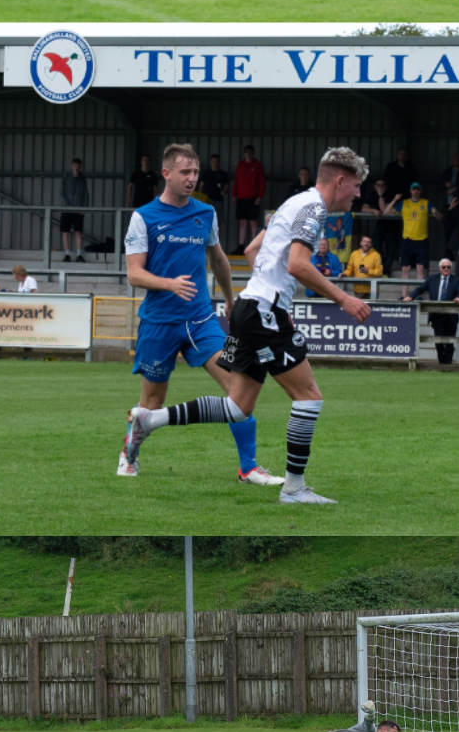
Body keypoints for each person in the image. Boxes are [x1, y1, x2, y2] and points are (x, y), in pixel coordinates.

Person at [120, 147, 373, 505]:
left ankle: (150, 420)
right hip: (259, 310)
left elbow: (255, 249)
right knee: (308, 396)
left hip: (252, 306)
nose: (359, 194)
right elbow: (299, 265)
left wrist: (273, 297)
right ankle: (294, 488)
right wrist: (343, 299)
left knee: (238, 406)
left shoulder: (293, 202)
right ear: (340, 180)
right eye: (357, 186)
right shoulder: (314, 209)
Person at [404, 257, 459, 365]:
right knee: (438, 341)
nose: (446, 269)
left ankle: (448, 364)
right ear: (440, 268)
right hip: (437, 315)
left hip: (451, 315)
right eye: (444, 267)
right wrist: (411, 296)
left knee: (450, 341)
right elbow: (420, 288)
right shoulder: (432, 279)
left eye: (448, 267)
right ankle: (442, 363)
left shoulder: (456, 280)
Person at [398, 180, 439, 280]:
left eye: (418, 189)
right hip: (407, 239)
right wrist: (395, 200)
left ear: (420, 191)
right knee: (405, 269)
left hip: (422, 239)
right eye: (414, 189)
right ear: (410, 191)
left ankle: (418, 295)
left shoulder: (426, 203)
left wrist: (436, 212)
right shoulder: (404, 203)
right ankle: (404, 295)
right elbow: (386, 212)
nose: (416, 191)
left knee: (420, 269)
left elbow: (435, 213)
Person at [232, 144, 266, 252]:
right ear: (244, 153)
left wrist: (260, 196)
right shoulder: (240, 165)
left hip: (253, 197)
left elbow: (262, 182)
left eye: (250, 152)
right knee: (242, 222)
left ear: (253, 153)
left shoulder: (257, 165)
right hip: (241, 197)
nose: (248, 154)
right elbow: (236, 180)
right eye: (246, 152)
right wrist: (234, 194)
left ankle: (254, 246)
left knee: (253, 222)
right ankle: (241, 246)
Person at [60, 156, 88, 261]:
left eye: (78, 166)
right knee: (65, 231)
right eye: (75, 166)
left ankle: (79, 254)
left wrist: (84, 208)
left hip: (78, 209)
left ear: (80, 167)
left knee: (78, 231)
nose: (76, 168)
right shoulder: (66, 177)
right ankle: (67, 254)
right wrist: (65, 205)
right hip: (66, 209)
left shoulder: (83, 179)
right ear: (72, 166)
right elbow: (62, 193)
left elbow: (86, 194)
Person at [345, 234, 384, 298]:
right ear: (361, 243)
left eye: (368, 242)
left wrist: (368, 271)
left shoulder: (376, 255)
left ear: (371, 244)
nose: (366, 244)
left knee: (371, 308)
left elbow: (379, 272)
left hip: (372, 290)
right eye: (364, 241)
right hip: (358, 289)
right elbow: (349, 269)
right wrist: (344, 274)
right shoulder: (354, 254)